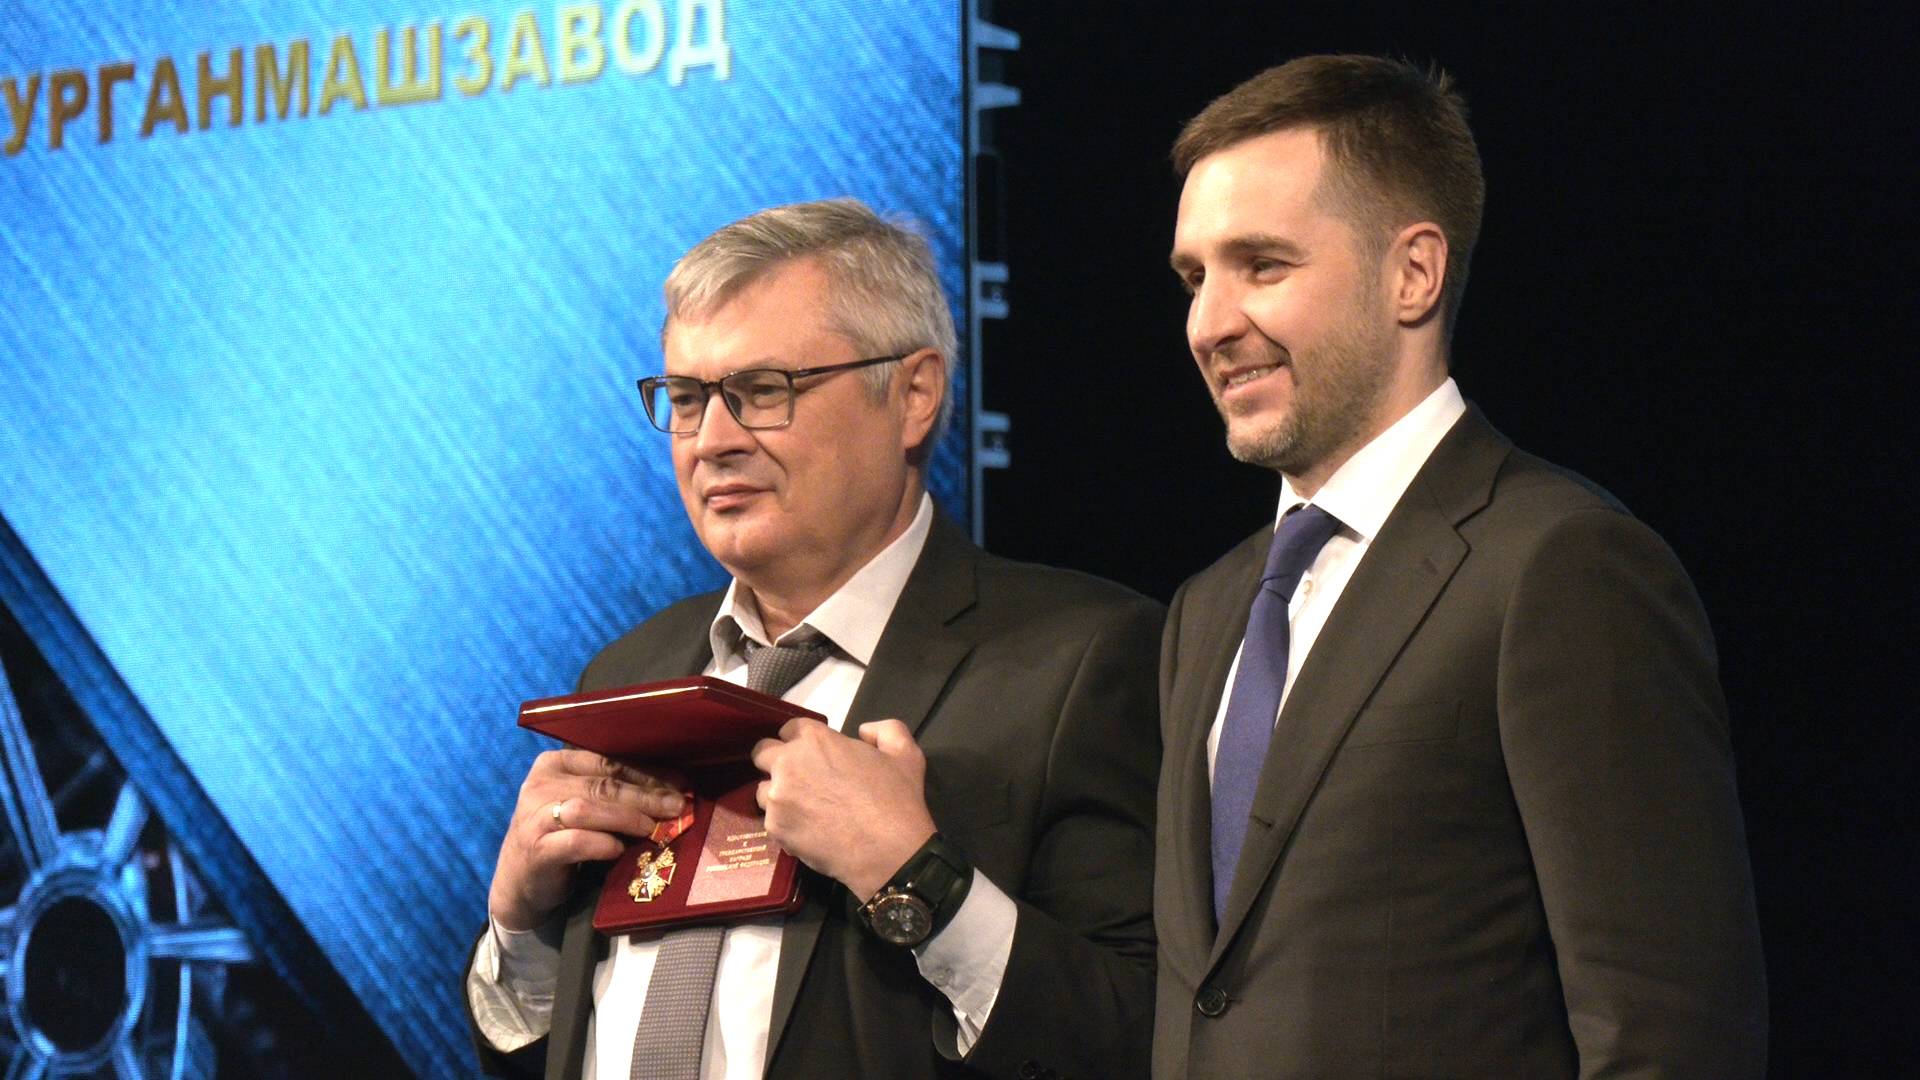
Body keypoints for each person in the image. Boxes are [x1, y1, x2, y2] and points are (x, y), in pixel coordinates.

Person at [1154, 55, 1767, 1077]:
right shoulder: (1204, 611)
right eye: (1194, 277)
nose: (1209, 323)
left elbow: (1670, 1031)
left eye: (1261, 265)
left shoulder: (1561, 566)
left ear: (1414, 275)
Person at [464, 198, 1160, 1080]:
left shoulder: (1082, 660)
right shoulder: (629, 670)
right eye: (688, 398)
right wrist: (520, 926)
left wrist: (918, 879)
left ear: (913, 395)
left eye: (763, 391)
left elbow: (1137, 1040)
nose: (712, 441)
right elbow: (543, 1051)